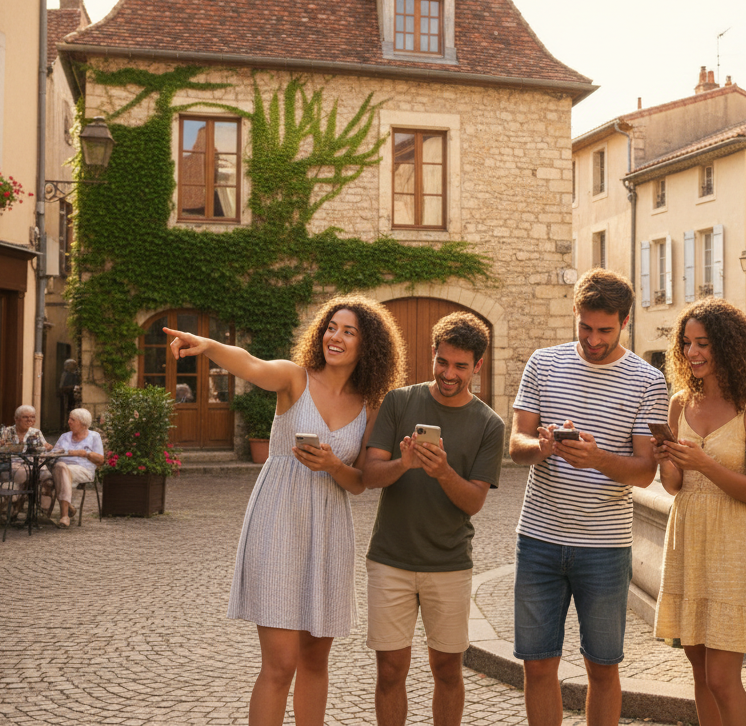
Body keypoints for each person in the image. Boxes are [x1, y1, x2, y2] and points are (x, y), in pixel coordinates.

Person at [166, 295, 405, 726]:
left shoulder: (371, 405)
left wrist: (333, 465)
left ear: (367, 345)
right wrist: (208, 344)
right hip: (278, 521)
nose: (335, 336)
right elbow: (251, 364)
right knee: (280, 664)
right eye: (331, 327)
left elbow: (359, 482)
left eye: (349, 331)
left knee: (315, 661)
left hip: (329, 530)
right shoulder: (295, 379)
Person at [508, 268, 668, 726]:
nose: (593, 339)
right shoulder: (543, 363)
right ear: (575, 313)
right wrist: (541, 447)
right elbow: (516, 443)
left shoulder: (647, 381)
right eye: (585, 327)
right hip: (538, 539)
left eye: (605, 330)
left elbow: (645, 472)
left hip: (605, 547)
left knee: (602, 667)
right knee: (537, 665)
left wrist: (596, 458)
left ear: (625, 322)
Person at [360, 312, 505, 726]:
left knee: (447, 670)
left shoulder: (489, 424)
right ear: (433, 355)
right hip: (390, 560)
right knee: (390, 670)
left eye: (460, 365)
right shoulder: (400, 401)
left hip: (449, 563)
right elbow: (369, 476)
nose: (449, 373)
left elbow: (474, 501)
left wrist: (442, 472)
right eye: (442, 361)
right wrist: (403, 464)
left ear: (477, 366)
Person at [653, 298, 746, 726]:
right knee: (700, 672)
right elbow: (674, 486)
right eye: (686, 343)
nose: (692, 352)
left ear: (727, 345)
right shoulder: (679, 402)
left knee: (723, 679)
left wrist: (704, 463)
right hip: (687, 536)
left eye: (703, 343)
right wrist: (667, 458)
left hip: (732, 541)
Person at [48, 408, 104, 528]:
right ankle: (67, 507)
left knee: (60, 469)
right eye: (69, 419)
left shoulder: (94, 436)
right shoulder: (64, 436)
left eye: (72, 420)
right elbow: (53, 455)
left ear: (83, 423)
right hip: (60, 468)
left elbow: (100, 460)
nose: (69, 422)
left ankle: (64, 515)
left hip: (83, 469)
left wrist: (85, 453)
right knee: (57, 470)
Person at [0, 404, 45, 519]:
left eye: (32, 417)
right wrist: (13, 448)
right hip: (10, 466)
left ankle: (20, 505)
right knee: (27, 474)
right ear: (16, 419)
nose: (29, 420)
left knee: (45, 475)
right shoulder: (6, 432)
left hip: (32, 464)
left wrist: (46, 448)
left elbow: (43, 450)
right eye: (25, 417)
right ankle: (20, 503)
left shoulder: (36, 432)